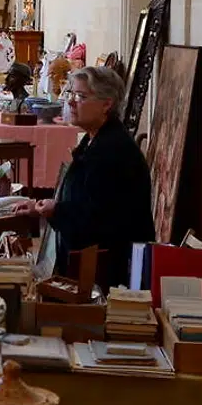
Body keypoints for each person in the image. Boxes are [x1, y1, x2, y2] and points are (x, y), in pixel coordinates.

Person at [29, 66, 154, 289]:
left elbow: (98, 219)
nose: (71, 102)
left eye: (81, 96)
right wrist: (42, 207)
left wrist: (56, 210)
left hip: (110, 274)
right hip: (92, 266)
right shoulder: (94, 140)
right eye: (71, 94)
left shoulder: (112, 151)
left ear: (107, 104)